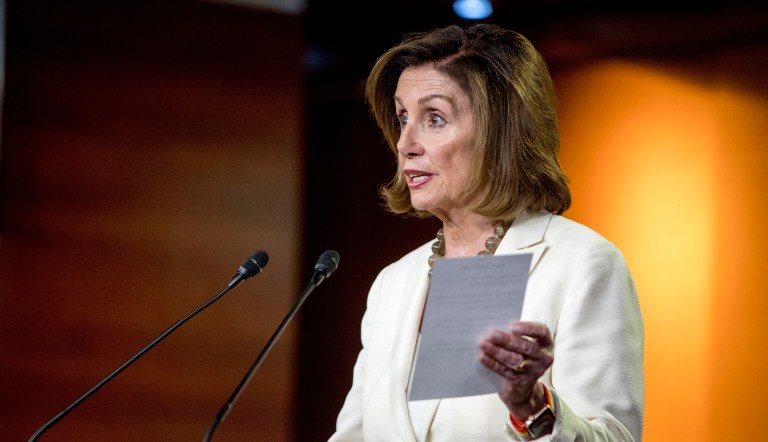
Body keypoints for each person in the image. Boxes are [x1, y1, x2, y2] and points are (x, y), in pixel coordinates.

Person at [328, 23, 643, 442]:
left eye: (434, 118)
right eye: (403, 118)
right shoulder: (394, 282)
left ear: (501, 133)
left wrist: (533, 406)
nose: (405, 143)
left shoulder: (583, 265)